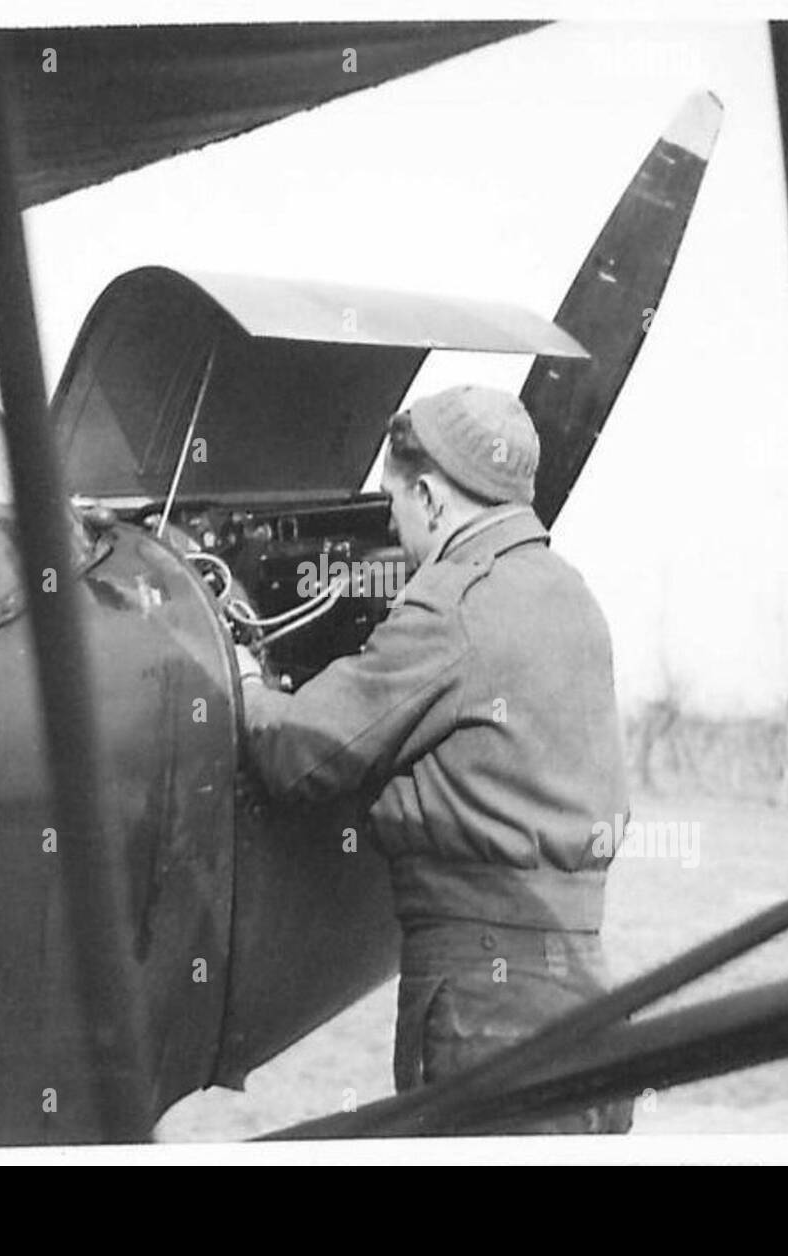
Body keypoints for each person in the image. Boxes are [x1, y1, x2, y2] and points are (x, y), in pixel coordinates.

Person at [234, 384, 633, 1134]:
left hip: (484, 1004)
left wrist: (245, 682)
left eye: (393, 508)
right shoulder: (572, 596)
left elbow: (301, 753)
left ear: (429, 497)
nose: (395, 530)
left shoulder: (451, 602)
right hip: (586, 995)